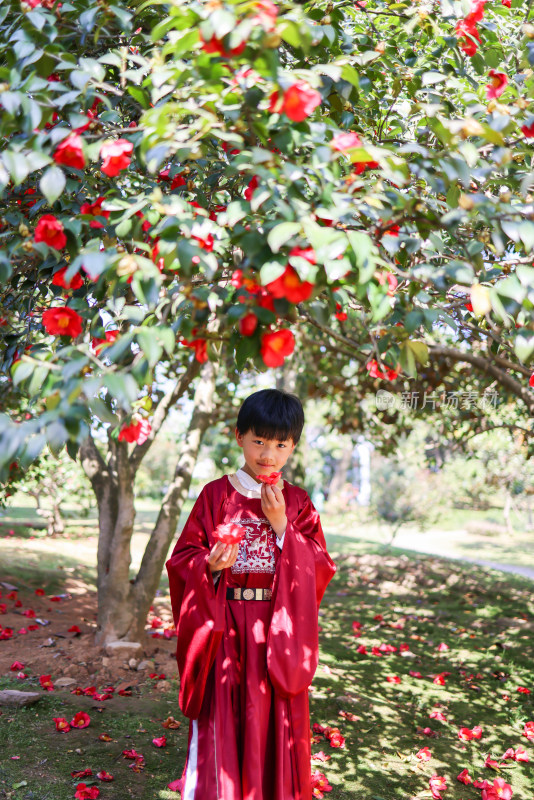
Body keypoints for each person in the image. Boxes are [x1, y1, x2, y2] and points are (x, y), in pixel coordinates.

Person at [165, 388, 337, 800]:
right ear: (238, 436)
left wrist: (282, 527)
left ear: (293, 446)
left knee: (272, 715)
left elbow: (320, 566)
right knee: (225, 711)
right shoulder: (215, 495)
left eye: (281, 444)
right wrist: (208, 565)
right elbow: (181, 559)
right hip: (224, 626)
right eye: (259, 440)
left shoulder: (297, 502)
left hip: (277, 629)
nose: (268, 454)